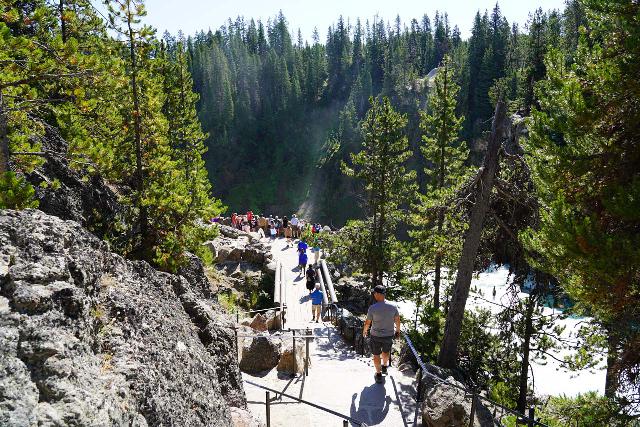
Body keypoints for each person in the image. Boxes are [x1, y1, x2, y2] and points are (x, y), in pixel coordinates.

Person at [362, 285, 401, 384]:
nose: (374, 295)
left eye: (375, 293)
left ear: (378, 294)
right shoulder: (393, 306)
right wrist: (398, 331)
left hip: (375, 335)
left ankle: (378, 374)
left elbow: (368, 322)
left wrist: (365, 331)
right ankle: (384, 366)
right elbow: (397, 319)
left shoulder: (373, 308)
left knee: (376, 355)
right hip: (388, 335)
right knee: (386, 352)